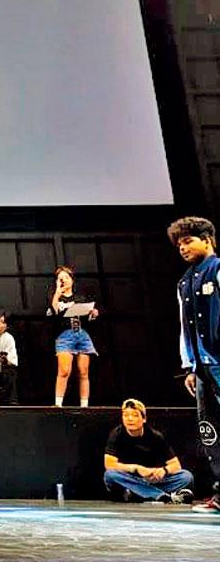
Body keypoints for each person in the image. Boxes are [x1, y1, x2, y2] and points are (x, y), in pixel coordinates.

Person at [168, 215, 220, 513]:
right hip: (201, 367)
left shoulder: (218, 270)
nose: (183, 248)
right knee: (211, 430)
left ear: (207, 240)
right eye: (179, 245)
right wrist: (189, 365)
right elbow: (183, 327)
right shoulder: (184, 282)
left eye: (188, 241)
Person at [103, 399, 193, 504]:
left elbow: (176, 465)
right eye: (126, 415)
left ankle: (139, 495)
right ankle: (161, 496)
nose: (130, 419)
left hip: (151, 480)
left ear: (144, 419)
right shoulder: (116, 435)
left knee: (186, 477)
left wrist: (163, 471)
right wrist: (136, 469)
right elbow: (109, 465)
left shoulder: (155, 436)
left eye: (135, 415)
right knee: (110, 475)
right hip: (129, 479)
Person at [48, 265, 100, 407]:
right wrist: (57, 293)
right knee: (64, 370)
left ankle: (85, 405)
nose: (63, 280)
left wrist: (92, 313)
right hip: (65, 335)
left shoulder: (80, 298)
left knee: (83, 371)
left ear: (72, 279)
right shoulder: (56, 298)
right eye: (60, 278)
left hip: (82, 334)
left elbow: (88, 315)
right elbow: (53, 311)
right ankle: (58, 404)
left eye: (66, 277)